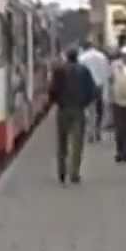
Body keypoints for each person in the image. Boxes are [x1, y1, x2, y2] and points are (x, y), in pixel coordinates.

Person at [48, 47, 97, 184]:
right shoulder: (84, 71)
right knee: (77, 143)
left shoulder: (59, 70)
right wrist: (84, 103)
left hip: (63, 110)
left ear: (67, 57)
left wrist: (57, 102)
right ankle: (74, 173)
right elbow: (92, 91)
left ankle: (61, 172)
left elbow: (52, 90)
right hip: (78, 110)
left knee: (62, 142)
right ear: (77, 57)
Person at [77, 41, 109, 142]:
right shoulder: (102, 56)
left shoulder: (82, 58)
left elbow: (79, 74)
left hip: (87, 87)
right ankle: (98, 130)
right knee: (100, 110)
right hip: (99, 86)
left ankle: (90, 133)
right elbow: (107, 73)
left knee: (89, 111)